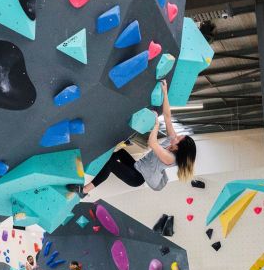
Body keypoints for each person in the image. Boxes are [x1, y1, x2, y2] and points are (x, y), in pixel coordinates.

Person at [67, 80, 196, 198]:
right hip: (137, 166)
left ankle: (84, 191)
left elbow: (152, 143)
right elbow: (168, 116)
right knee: (119, 153)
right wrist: (165, 92)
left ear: (179, 147)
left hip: (137, 177)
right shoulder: (172, 139)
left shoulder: (170, 158)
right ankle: (92, 166)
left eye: (179, 138)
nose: (176, 136)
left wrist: (156, 124)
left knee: (111, 164)